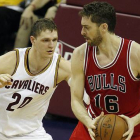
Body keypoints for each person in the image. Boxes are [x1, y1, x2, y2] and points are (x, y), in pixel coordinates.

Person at [70, 1, 140, 140]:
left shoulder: (135, 53)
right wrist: (88, 121)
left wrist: (133, 121)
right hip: (94, 123)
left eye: (86, 27)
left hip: (132, 127)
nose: (82, 32)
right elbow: (76, 99)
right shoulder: (80, 54)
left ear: (103, 27)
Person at [0, 18, 71, 140]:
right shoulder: (13, 59)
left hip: (30, 133)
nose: (51, 45)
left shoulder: (62, 67)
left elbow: (82, 92)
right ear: (33, 40)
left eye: (54, 40)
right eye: (45, 40)